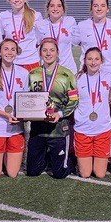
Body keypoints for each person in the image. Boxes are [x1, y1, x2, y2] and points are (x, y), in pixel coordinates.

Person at [26, 38, 79, 179]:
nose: (48, 54)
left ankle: (70, 160)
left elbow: (74, 100)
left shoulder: (67, 75)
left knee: (59, 174)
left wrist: (60, 114)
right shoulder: (33, 74)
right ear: (40, 53)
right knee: (32, 172)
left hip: (59, 129)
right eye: (44, 50)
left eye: (52, 50)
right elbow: (28, 99)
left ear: (57, 52)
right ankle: (48, 157)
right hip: (38, 129)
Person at [0, 39, 29, 178]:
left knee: (12, 173)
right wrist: (6, 115)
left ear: (17, 52)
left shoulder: (24, 73)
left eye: (13, 49)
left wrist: (21, 114)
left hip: (16, 128)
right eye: (6, 49)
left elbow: (26, 101)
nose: (9, 52)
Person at [74, 47, 111, 178]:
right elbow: (72, 102)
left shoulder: (110, 78)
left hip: (102, 130)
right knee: (85, 174)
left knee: (100, 173)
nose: (93, 62)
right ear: (84, 61)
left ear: (102, 61)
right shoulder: (77, 79)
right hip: (82, 129)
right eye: (89, 59)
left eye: (97, 59)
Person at [0, 0, 43, 71]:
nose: (16, 0)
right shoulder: (3, 16)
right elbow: (1, 39)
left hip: (31, 61)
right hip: (11, 61)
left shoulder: (36, 16)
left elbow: (41, 40)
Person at [74, 0, 111, 74]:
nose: (99, 9)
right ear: (91, 8)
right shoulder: (82, 26)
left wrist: (109, 57)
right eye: (95, 6)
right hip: (87, 71)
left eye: (103, 6)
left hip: (109, 71)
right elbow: (77, 43)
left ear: (108, 9)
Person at [36, 0, 78, 74]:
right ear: (47, 9)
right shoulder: (40, 25)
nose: (55, 9)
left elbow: (75, 40)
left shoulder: (70, 21)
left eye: (59, 6)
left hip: (68, 69)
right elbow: (37, 45)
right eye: (52, 6)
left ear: (63, 10)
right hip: (47, 70)